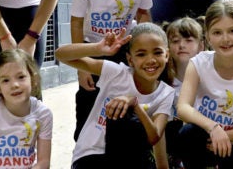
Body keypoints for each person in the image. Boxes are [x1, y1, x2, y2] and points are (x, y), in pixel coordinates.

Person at [70, 0, 152, 141]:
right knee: (88, 106)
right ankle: (85, 154)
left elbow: (144, 14)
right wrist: (82, 66)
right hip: (94, 50)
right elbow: (76, 22)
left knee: (126, 110)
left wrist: (142, 54)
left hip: (125, 48)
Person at [56, 24, 174, 168]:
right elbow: (60, 55)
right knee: (122, 112)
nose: (151, 60)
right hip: (93, 155)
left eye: (157, 53)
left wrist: (135, 104)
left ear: (167, 55)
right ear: (130, 60)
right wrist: (97, 49)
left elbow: (154, 137)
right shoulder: (116, 72)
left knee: (130, 115)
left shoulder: (166, 93)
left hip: (130, 156)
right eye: (141, 54)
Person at [176, 0, 233, 169]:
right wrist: (214, 129)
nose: (225, 39)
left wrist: (226, 136)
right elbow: (183, 107)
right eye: (217, 32)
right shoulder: (198, 63)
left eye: (232, 31)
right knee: (187, 134)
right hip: (205, 135)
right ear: (208, 36)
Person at [155, 17, 206, 169]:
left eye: (188, 40)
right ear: (167, 47)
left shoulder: (209, 80)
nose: (181, 45)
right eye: (175, 41)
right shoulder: (161, 81)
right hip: (169, 147)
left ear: (201, 46)